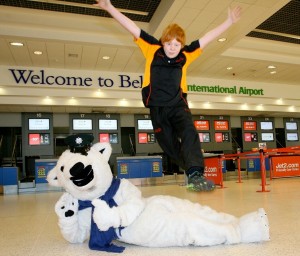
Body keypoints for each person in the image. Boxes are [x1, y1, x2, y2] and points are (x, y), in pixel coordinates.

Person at [93, 0, 241, 192]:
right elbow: (132, 27)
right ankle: (190, 171)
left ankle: (196, 172)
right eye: (169, 43)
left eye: (177, 44)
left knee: (189, 132)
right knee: (169, 146)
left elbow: (207, 38)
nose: (172, 47)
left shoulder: (186, 55)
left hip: (178, 106)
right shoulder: (152, 49)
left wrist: (228, 22)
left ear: (182, 45)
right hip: (157, 108)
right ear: (163, 42)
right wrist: (110, 8)